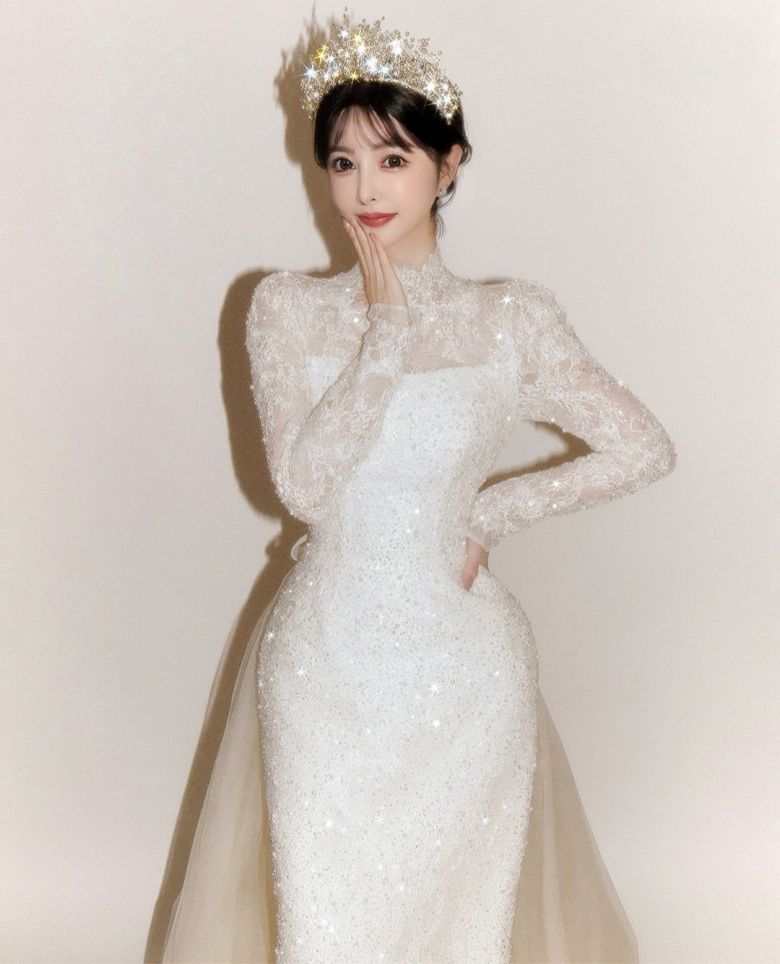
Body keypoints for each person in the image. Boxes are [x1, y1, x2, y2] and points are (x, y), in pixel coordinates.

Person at [158, 11, 676, 963]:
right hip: (323, 662)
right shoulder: (285, 310)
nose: (364, 188)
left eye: (393, 159)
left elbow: (642, 448)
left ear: (450, 165)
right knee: (325, 921)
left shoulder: (509, 319)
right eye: (343, 161)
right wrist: (385, 336)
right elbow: (306, 490)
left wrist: (492, 511)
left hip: (468, 670)